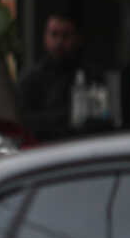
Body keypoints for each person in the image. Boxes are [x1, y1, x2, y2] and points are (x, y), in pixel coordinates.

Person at [15, 12, 88, 142]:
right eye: (54, 35)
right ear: (45, 38)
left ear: (77, 38)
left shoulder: (88, 76)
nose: (59, 42)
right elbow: (24, 121)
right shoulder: (31, 79)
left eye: (65, 36)